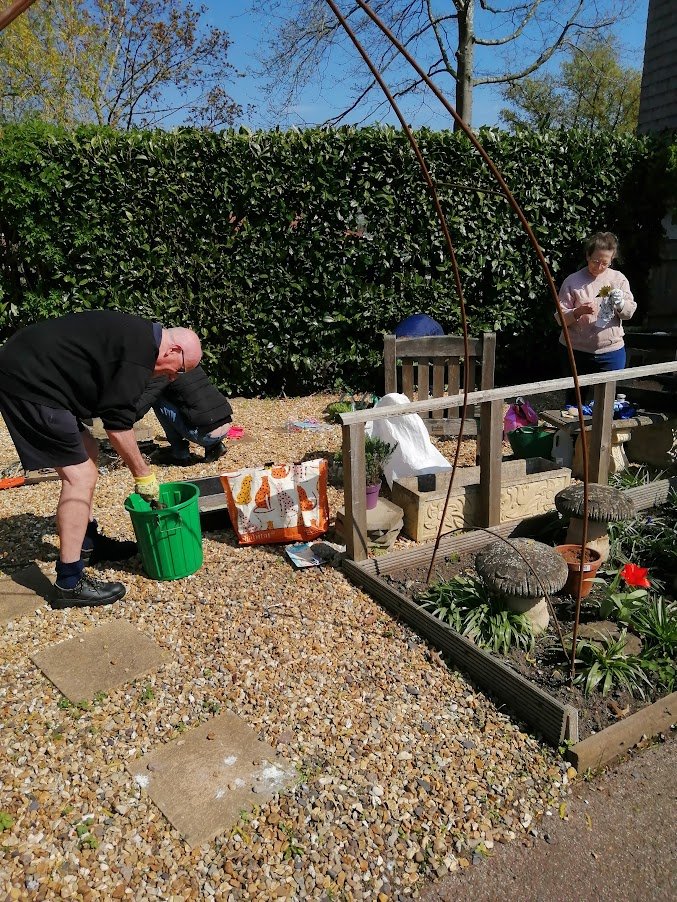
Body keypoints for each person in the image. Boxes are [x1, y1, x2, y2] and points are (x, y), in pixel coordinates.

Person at [0, 310, 202, 609]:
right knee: (80, 476)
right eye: (180, 370)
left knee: (89, 450)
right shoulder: (139, 353)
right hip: (28, 381)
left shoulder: (141, 338)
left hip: (34, 372)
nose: (173, 376)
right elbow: (118, 426)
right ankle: (69, 582)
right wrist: (143, 474)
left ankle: (87, 542)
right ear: (172, 350)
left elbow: (113, 410)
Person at [555, 231, 636, 404]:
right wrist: (578, 311)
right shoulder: (573, 281)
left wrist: (621, 304)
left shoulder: (618, 279)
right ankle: (577, 431)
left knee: (607, 402)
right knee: (575, 402)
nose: (599, 267)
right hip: (576, 351)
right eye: (595, 261)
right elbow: (559, 318)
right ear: (587, 256)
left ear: (611, 260)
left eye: (604, 263)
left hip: (610, 351)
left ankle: (603, 431)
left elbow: (629, 313)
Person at [135, 365, 233, 466]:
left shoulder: (163, 372)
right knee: (194, 401)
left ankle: (180, 454)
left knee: (157, 401)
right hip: (226, 425)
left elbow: (145, 403)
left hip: (205, 435)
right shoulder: (190, 362)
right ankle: (215, 446)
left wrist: (123, 423)